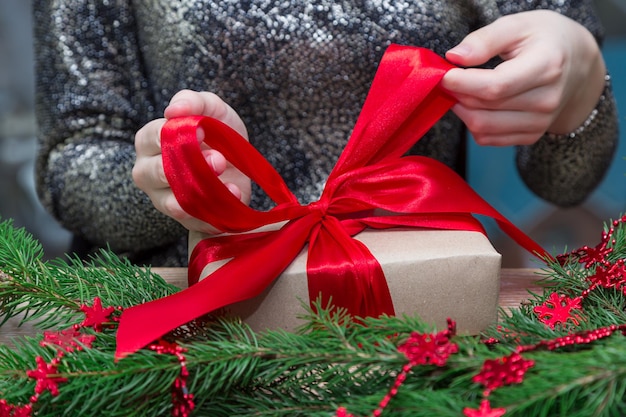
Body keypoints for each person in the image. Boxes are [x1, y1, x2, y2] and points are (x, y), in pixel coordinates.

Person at [33, 1, 618, 267]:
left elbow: (563, 182)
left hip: (419, 313)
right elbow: (72, 155)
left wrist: (581, 77)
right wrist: (176, 184)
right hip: (181, 332)